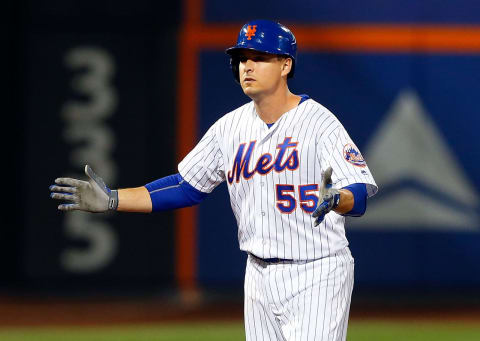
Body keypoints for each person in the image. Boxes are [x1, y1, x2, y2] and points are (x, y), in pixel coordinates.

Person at [50, 19, 377, 341]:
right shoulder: (229, 129)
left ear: (285, 65)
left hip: (316, 270)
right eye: (242, 59)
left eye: (259, 57)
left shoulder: (319, 122)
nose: (247, 66)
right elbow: (185, 187)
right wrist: (113, 199)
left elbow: (358, 192)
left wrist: (337, 199)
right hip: (258, 273)